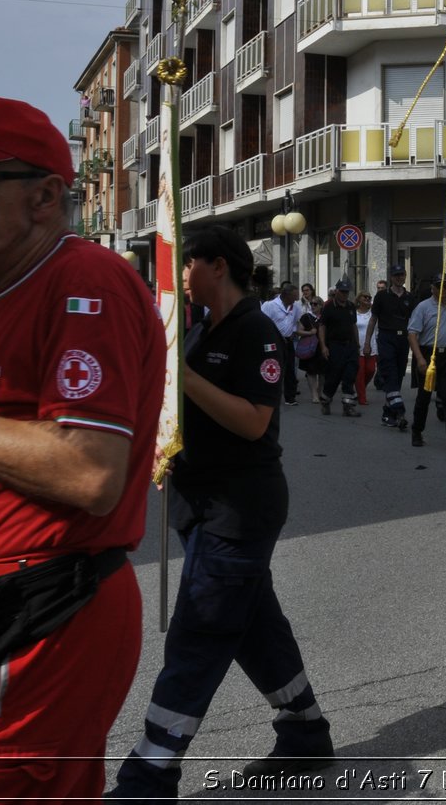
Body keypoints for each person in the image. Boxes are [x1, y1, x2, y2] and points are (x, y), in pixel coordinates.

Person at [0, 95, 164, 800]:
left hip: (41, 611)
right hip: (1, 613)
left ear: (45, 196)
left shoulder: (84, 282)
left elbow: (88, 471)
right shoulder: (16, 289)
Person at [111, 226, 334, 799]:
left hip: (238, 508)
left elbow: (255, 420)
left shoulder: (254, 330)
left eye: (190, 263)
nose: (183, 273)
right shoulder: (197, 328)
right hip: (201, 503)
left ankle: (148, 776)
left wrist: (183, 378)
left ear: (218, 266)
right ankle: (305, 732)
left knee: (199, 634)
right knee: (255, 627)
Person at [408, 274, 446, 453]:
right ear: (432, 288)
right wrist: (419, 359)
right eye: (439, 286)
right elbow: (412, 334)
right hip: (428, 355)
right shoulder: (423, 307)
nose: (444, 290)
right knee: (424, 398)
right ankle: (417, 432)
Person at [367, 264, 416, 428]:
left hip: (403, 340)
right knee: (390, 374)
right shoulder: (382, 296)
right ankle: (399, 411)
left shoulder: (410, 297)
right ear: (391, 277)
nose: (399, 278)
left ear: (405, 276)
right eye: (396, 275)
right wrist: (367, 343)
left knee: (399, 375)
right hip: (386, 338)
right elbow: (373, 319)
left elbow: (415, 323)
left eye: (401, 275)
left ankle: (388, 414)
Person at [317, 279, 362, 418]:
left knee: (350, 375)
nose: (344, 294)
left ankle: (348, 407)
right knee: (333, 376)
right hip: (335, 346)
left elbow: (353, 325)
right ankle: (325, 400)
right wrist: (323, 346)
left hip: (350, 346)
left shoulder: (350, 306)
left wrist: (357, 343)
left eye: (346, 292)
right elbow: (322, 327)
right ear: (336, 291)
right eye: (342, 291)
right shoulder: (329, 307)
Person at [262, 281, 304, 406]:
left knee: (290, 369)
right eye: (294, 296)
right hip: (273, 342)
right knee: (272, 368)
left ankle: (290, 397)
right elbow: (263, 323)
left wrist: (295, 332)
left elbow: (297, 321)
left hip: (288, 341)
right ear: (286, 295)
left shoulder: (295, 307)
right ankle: (269, 395)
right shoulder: (270, 305)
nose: (297, 298)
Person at [296, 309, 323, 405]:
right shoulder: (306, 317)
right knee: (311, 371)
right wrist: (310, 333)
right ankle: (314, 394)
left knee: (323, 372)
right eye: (312, 304)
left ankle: (320, 392)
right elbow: (298, 331)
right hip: (310, 348)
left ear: (320, 305)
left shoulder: (324, 316)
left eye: (316, 304)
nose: (313, 306)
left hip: (322, 347)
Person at [355, 291, 378, 405]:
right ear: (359, 299)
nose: (368, 299)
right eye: (365, 297)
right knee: (360, 372)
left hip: (371, 346)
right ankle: (362, 398)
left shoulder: (373, 314)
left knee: (370, 370)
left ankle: (360, 389)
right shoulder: (354, 313)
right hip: (358, 347)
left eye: (369, 297)